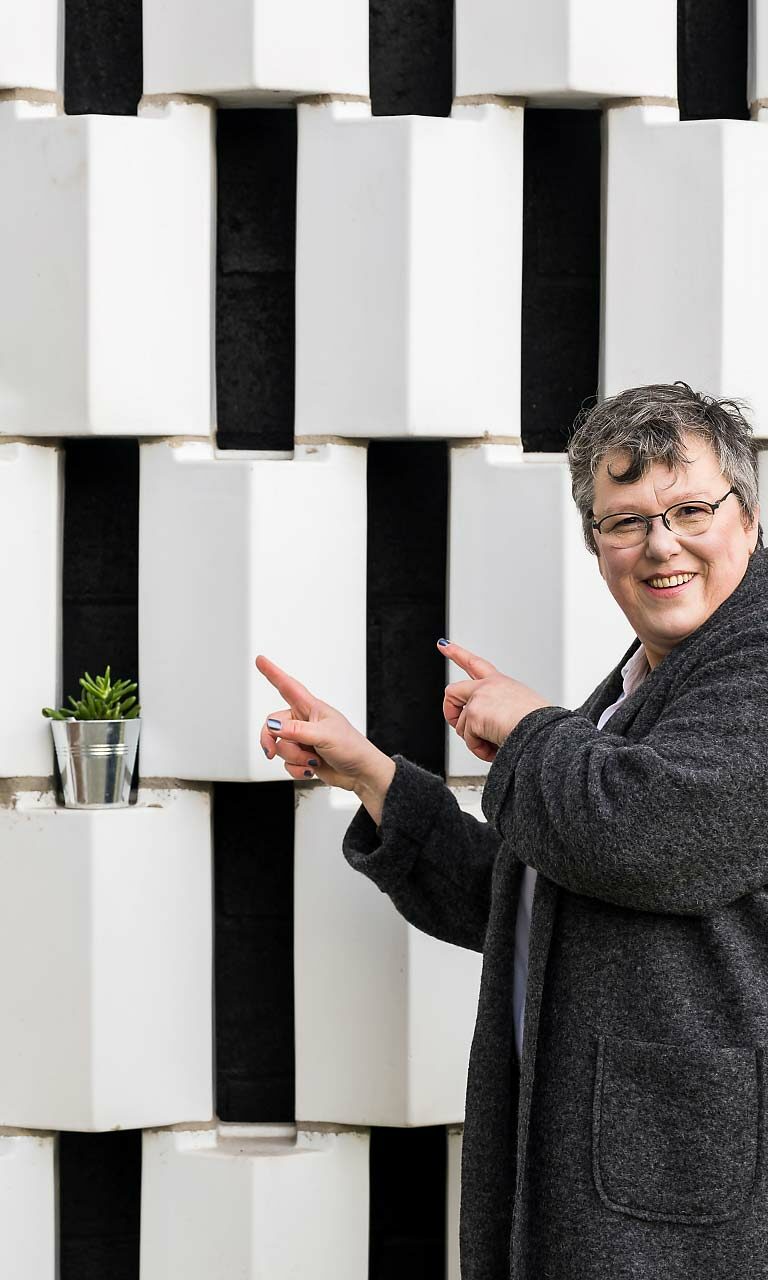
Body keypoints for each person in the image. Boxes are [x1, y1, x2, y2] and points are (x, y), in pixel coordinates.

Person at [255, 382, 768, 1279]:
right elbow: (536, 898)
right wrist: (373, 776)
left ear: (750, 516)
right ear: (594, 544)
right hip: (602, 1161)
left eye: (691, 509)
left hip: (684, 1187)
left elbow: (642, 838)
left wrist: (530, 726)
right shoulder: (644, 687)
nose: (661, 544)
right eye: (626, 521)